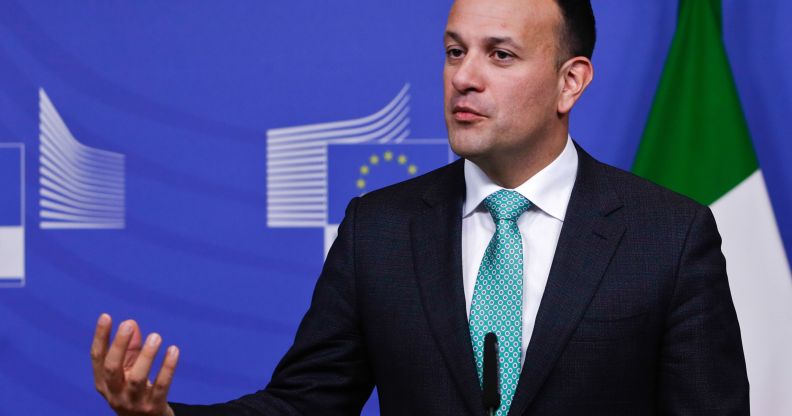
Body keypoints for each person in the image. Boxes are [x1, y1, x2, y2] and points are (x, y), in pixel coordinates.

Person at [90, 0, 750, 415]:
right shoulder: (378, 231)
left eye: (501, 54)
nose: (464, 76)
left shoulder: (669, 233)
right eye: (455, 51)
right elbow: (306, 403)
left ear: (569, 82)